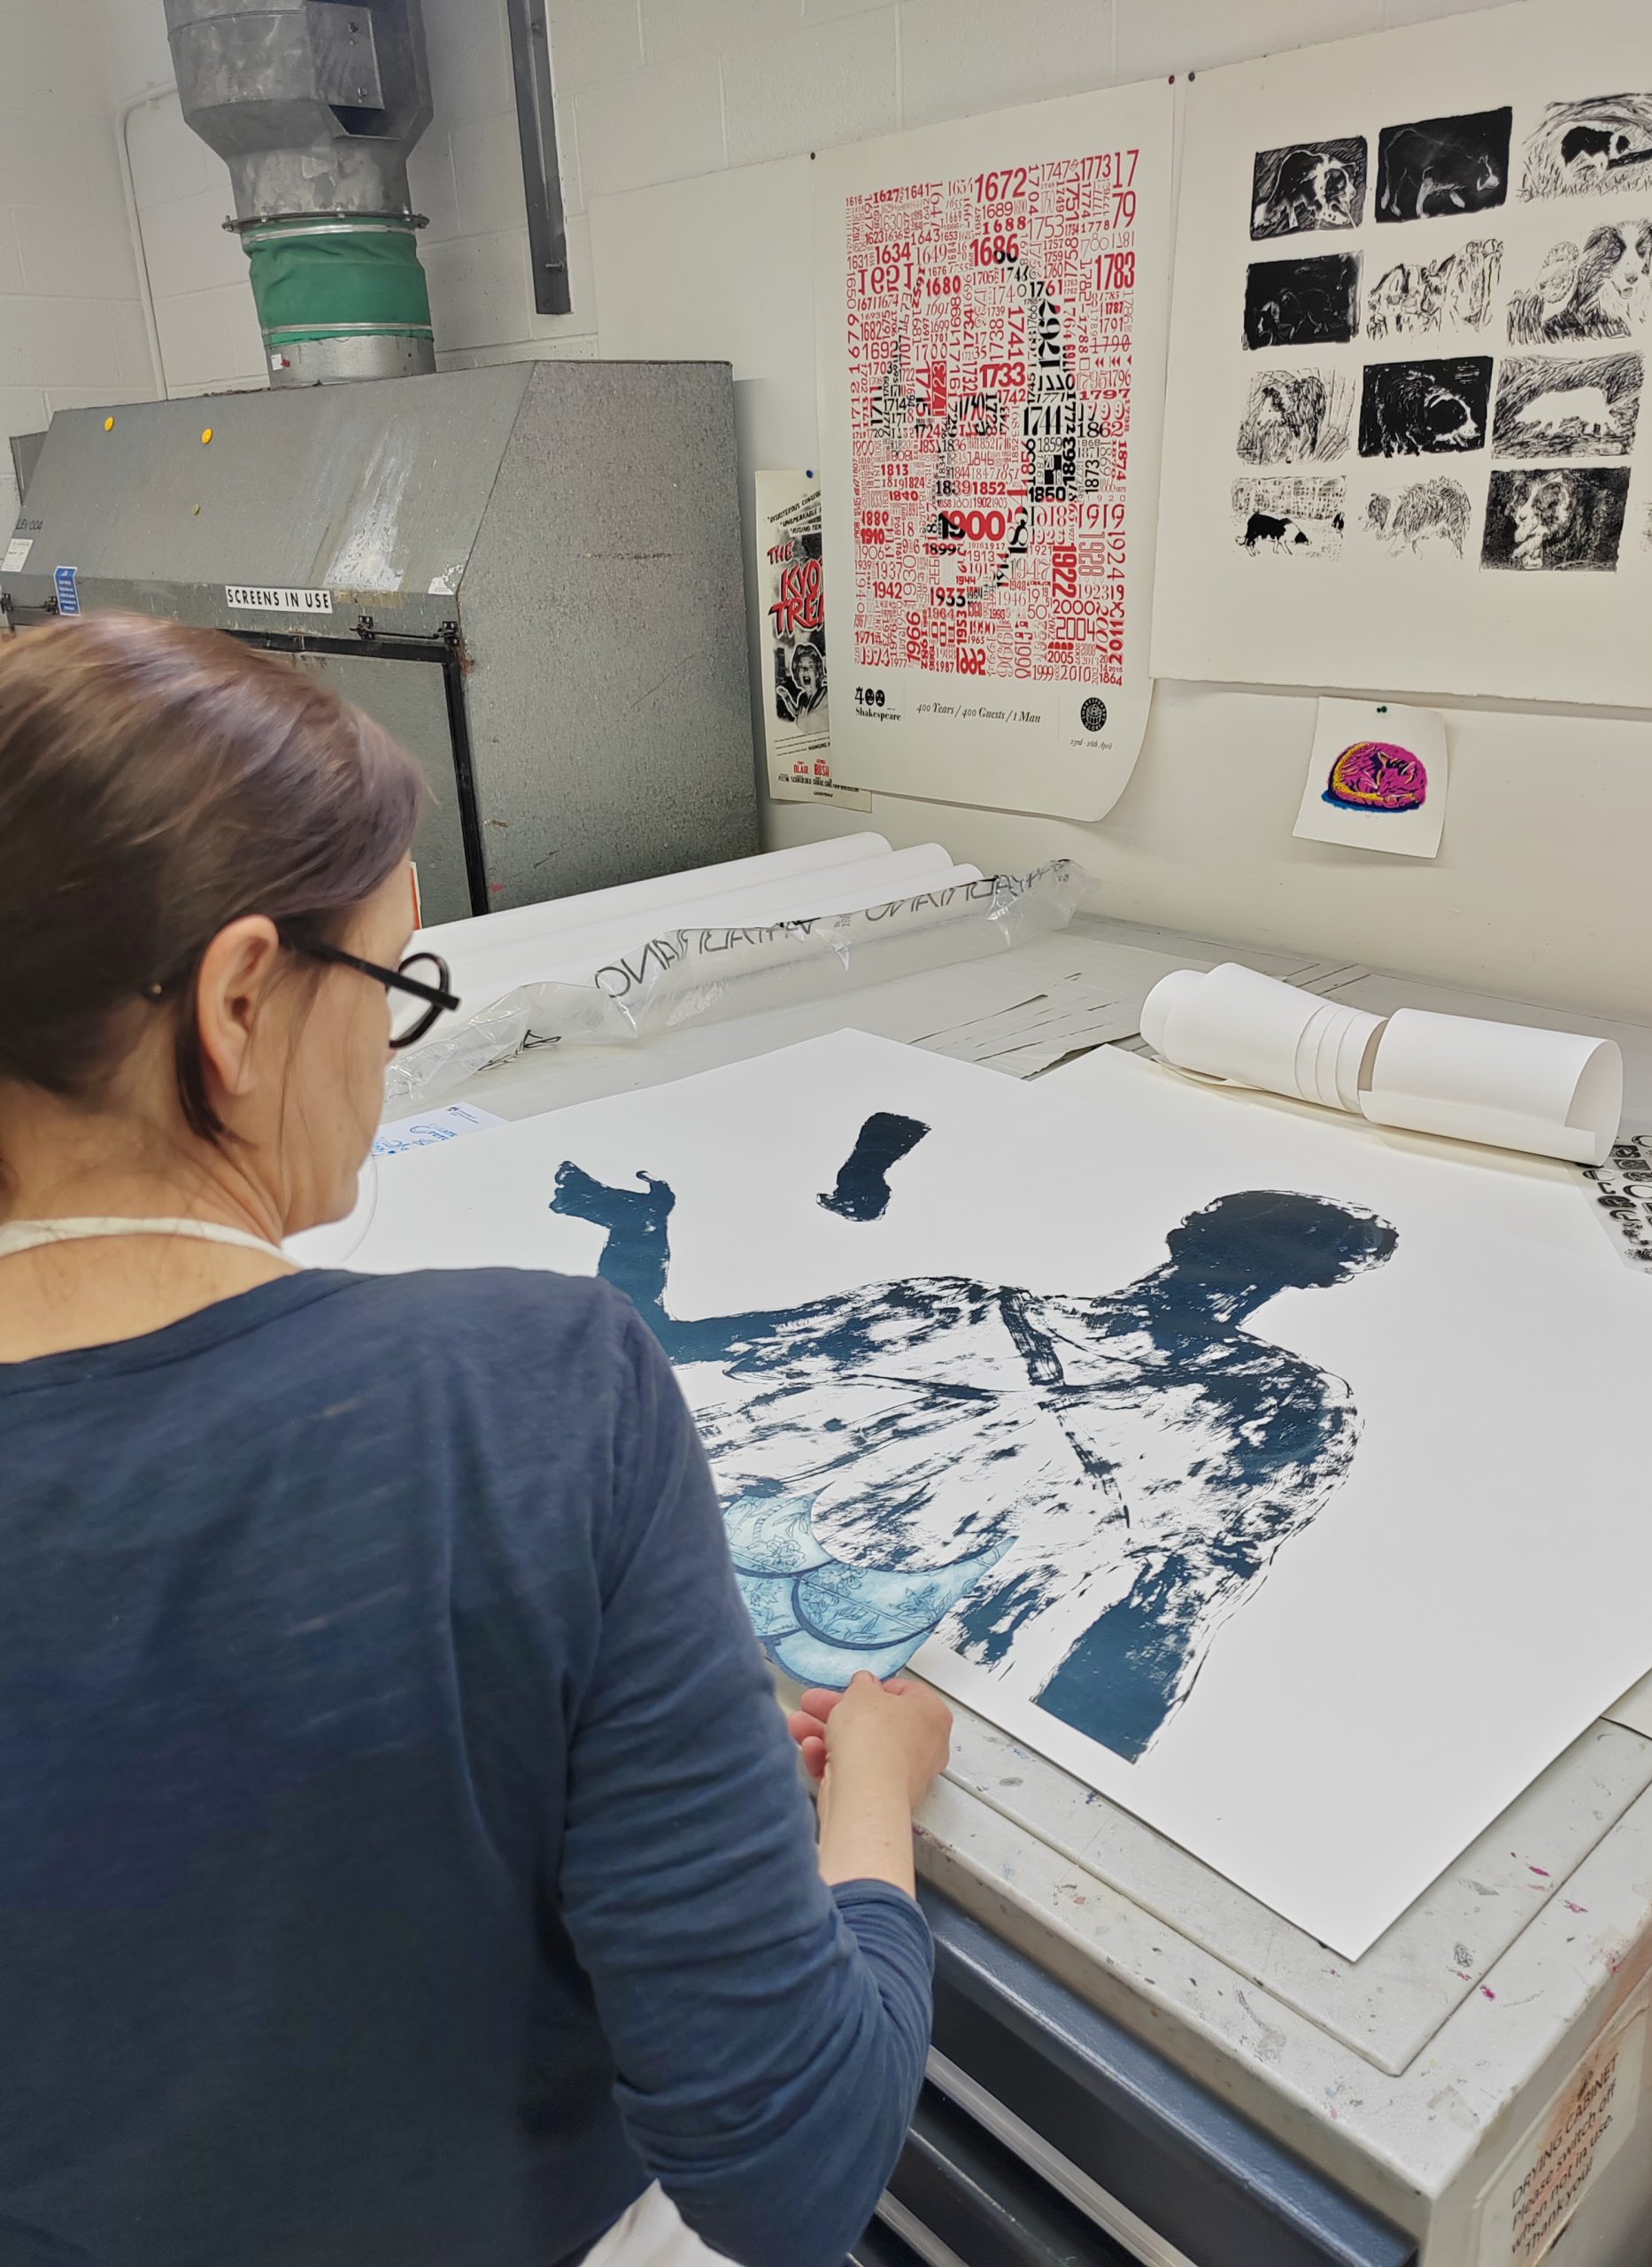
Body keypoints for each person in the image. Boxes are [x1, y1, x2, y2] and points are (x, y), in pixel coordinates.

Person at [0, 615, 951, 2267]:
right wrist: (871, 1810)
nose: (388, 1056)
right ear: (239, 1001)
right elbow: (793, 2169)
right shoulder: (530, 1398)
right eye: (393, 987)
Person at [550, 1149, 1397, 1765]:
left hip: (861, 1696)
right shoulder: (948, 1309)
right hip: (648, 1598)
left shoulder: (1280, 1408)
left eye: (1265, 1262)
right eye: (1237, 1251)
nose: (1234, 1276)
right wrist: (640, 1230)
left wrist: (1080, 1780)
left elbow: (1173, 1607)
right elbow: (667, 1344)